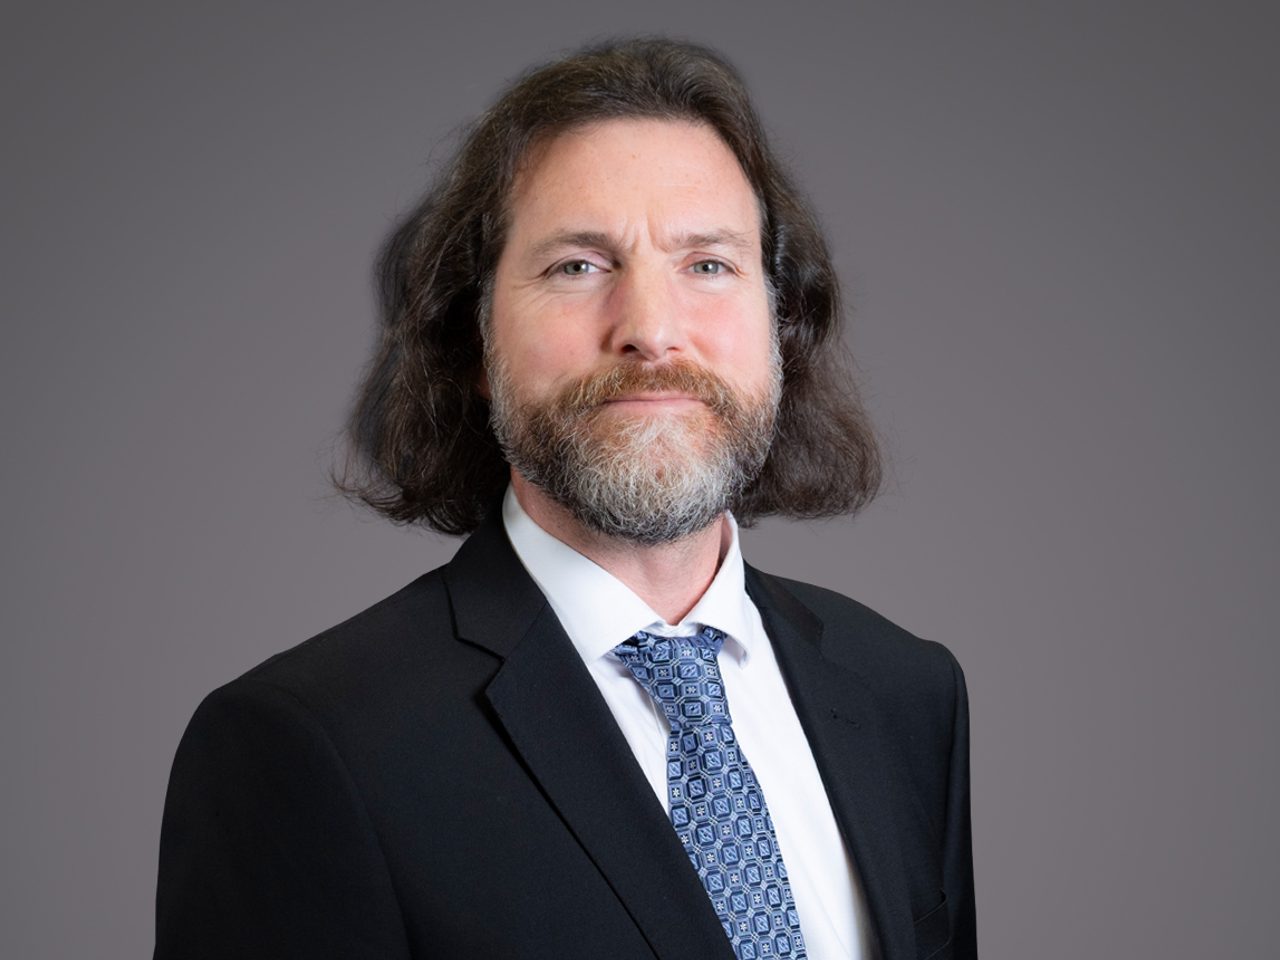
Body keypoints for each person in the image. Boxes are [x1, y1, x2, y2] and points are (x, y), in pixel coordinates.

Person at [154, 38, 976, 960]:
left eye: (708, 264)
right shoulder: (305, 748)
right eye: (579, 266)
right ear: (470, 341)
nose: (653, 331)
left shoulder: (906, 694)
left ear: (779, 323)